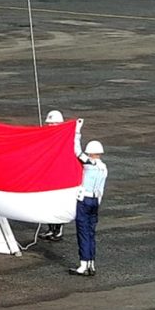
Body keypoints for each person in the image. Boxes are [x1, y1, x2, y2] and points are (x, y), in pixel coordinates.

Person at [70, 120, 107, 277]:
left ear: (90, 152)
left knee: (83, 231)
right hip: (95, 202)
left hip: (84, 201)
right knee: (91, 232)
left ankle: (83, 264)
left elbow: (76, 151)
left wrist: (77, 131)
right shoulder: (104, 167)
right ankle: (91, 263)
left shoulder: (89, 163)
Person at [40, 109, 69, 241]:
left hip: (60, 177)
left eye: (53, 123)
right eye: (49, 123)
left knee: (58, 204)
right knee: (47, 204)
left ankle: (58, 230)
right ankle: (50, 229)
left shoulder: (66, 138)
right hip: (48, 175)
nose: (50, 126)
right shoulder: (46, 137)